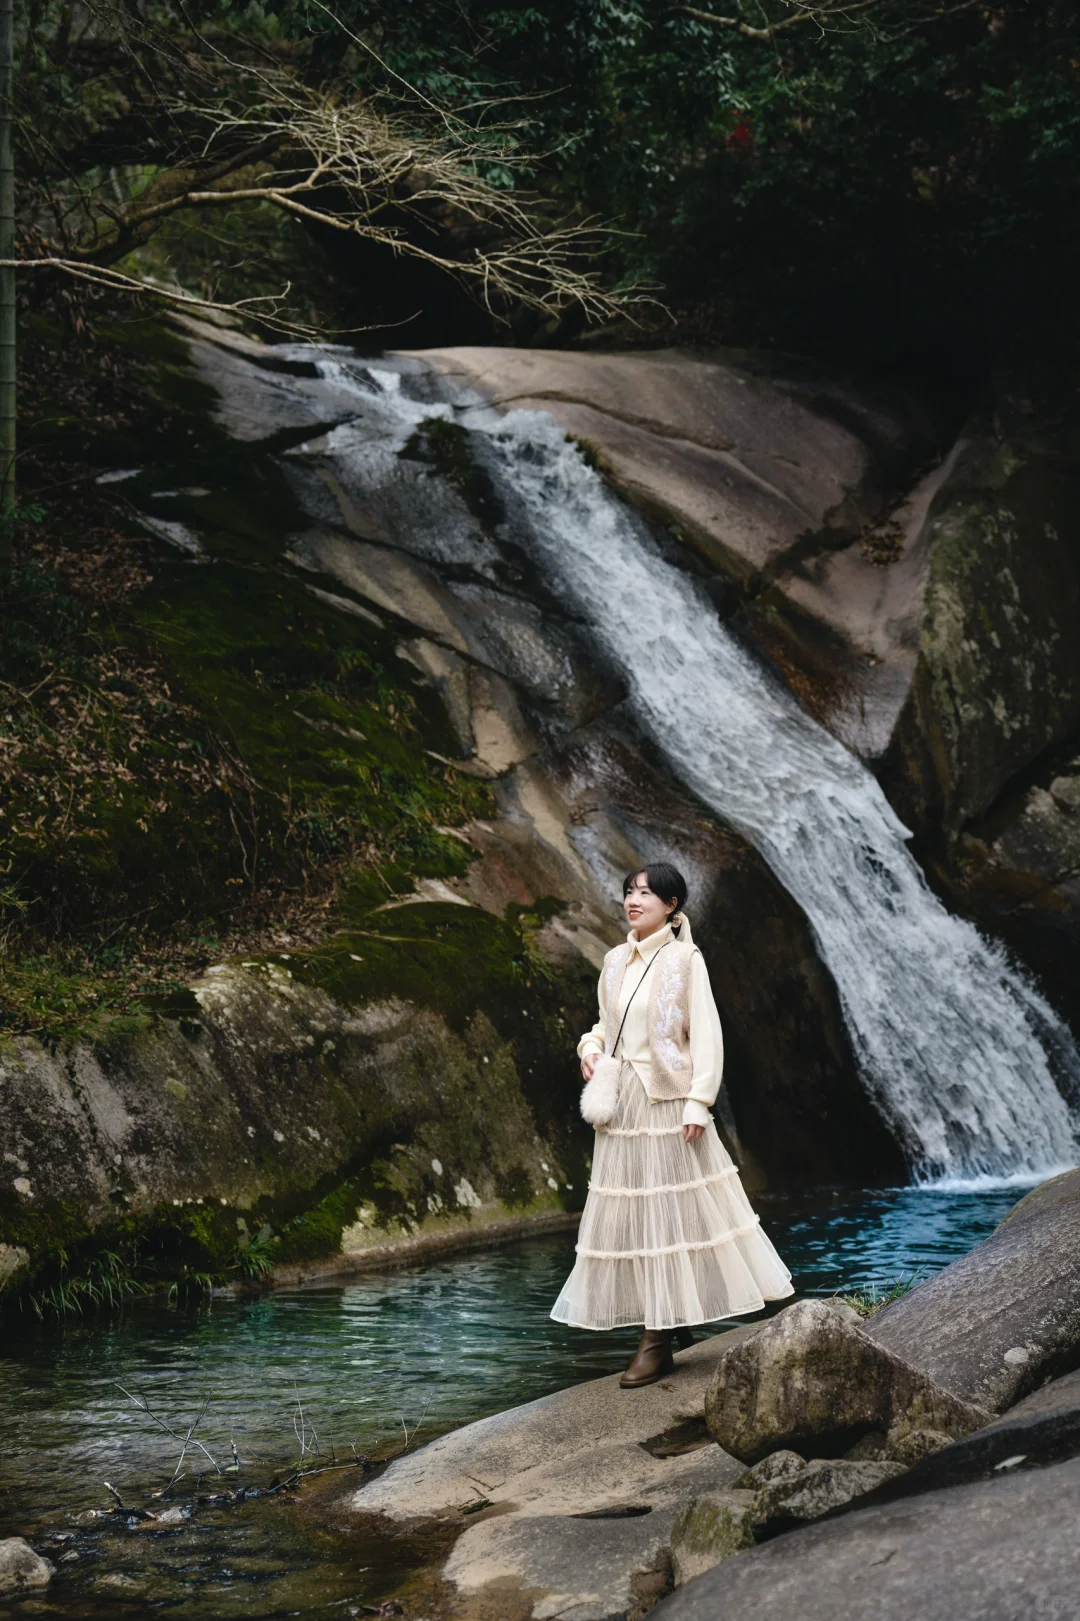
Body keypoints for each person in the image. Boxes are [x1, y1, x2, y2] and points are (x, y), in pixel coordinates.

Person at [551, 861, 794, 1387]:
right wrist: (589, 1048)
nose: (634, 900)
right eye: (629, 892)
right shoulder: (614, 960)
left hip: (668, 1102)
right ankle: (661, 1323)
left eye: (647, 893)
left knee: (673, 1214)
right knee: (634, 1216)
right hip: (621, 1106)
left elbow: (706, 1033)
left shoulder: (686, 959)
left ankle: (656, 1339)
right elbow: (604, 1026)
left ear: (672, 905)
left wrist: (698, 1102)